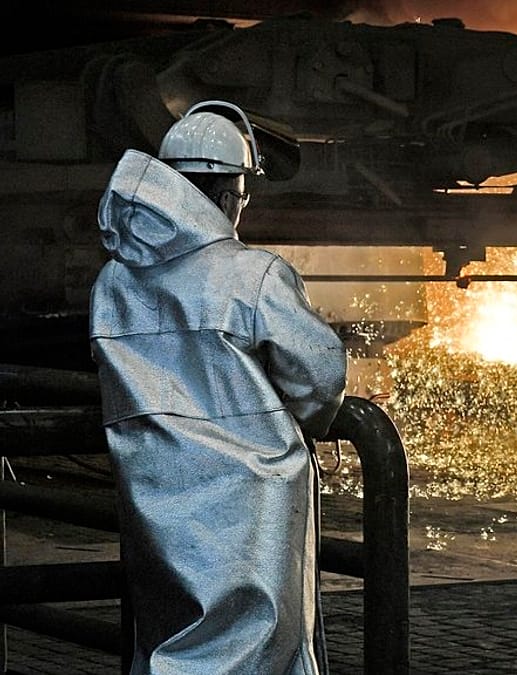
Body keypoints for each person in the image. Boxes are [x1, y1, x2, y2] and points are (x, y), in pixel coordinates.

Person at [89, 100, 347, 674]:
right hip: (252, 502)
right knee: (253, 645)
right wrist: (305, 419)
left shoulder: (112, 281)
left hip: (152, 489)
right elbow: (320, 376)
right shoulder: (253, 275)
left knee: (169, 638)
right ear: (232, 195)